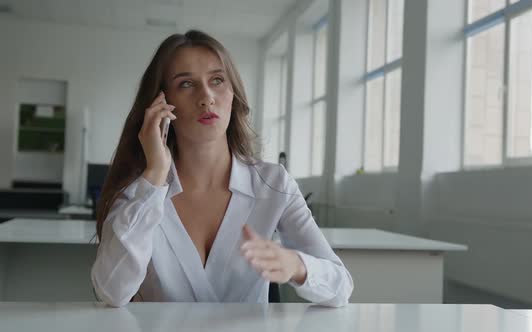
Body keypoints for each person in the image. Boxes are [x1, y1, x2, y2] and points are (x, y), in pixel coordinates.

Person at [91, 30, 353, 307]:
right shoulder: (140, 189)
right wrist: (154, 175)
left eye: (217, 80)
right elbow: (110, 292)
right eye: (186, 84)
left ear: (233, 94)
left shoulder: (273, 183)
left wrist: (297, 266)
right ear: (161, 104)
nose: (206, 97)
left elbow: (341, 286)